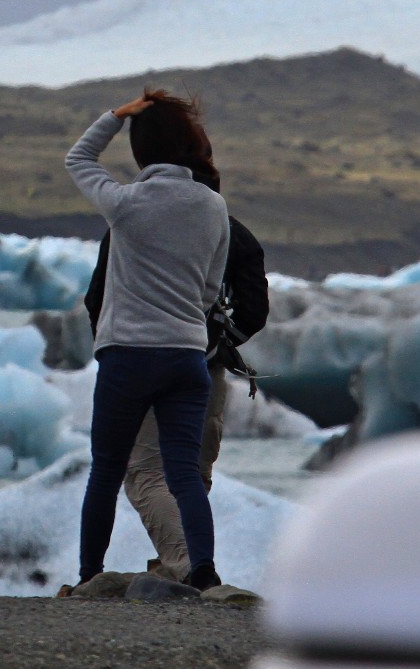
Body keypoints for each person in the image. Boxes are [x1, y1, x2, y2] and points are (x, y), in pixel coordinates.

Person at [63, 89, 230, 593]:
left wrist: (116, 116)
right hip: (186, 357)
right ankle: (203, 570)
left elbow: (79, 158)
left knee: (108, 471)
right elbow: (209, 289)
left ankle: (90, 574)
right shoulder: (212, 205)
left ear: (142, 151)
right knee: (183, 472)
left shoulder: (125, 203)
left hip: (128, 357)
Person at [90, 198, 269, 582]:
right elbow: (254, 310)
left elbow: (98, 299)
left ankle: (189, 569)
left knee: (145, 474)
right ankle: (188, 567)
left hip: (137, 360)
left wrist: (112, 352)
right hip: (204, 369)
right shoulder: (233, 231)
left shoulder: (130, 222)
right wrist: (218, 342)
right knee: (192, 476)